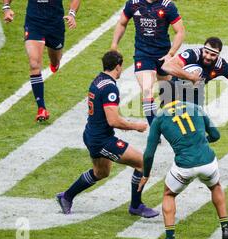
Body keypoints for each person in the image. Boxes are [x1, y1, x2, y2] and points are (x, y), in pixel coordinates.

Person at [56, 51, 159, 218]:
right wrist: (135, 126)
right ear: (117, 66)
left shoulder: (98, 80)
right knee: (142, 162)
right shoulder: (110, 87)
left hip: (91, 133)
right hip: (102, 140)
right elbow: (113, 121)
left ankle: (66, 196)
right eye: (121, 66)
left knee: (101, 173)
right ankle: (136, 205)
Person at [138, 80, 228, 239]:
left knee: (169, 194)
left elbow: (149, 153)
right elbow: (216, 135)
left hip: (184, 166)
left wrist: (146, 174)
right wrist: (203, 141)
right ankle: (226, 229)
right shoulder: (195, 107)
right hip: (208, 162)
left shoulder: (159, 118)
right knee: (215, 186)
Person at [2, 0, 80, 121]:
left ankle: (55, 63)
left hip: (55, 25)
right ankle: (42, 108)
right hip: (34, 24)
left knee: (55, 58)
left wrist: (72, 14)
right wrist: (6, 7)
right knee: (34, 63)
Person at [110, 0, 185, 125]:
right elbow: (122, 23)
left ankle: (168, 123)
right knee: (147, 90)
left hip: (163, 55)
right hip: (143, 55)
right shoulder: (134, 3)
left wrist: (171, 54)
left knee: (169, 94)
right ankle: (154, 129)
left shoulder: (168, 6)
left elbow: (180, 32)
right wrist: (114, 44)